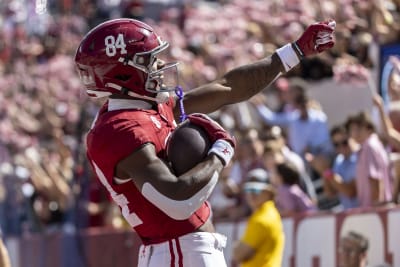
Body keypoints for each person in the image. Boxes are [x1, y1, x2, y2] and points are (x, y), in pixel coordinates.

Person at [74, 18, 335, 266]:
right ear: (121, 72)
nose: (158, 67)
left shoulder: (143, 109)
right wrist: (220, 151)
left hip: (181, 250)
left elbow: (228, 87)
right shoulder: (120, 129)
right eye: (147, 60)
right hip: (178, 251)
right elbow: (177, 203)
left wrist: (295, 51)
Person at [232, 168, 284, 267]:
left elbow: (239, 255)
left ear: (268, 192)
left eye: (256, 189)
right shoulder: (270, 213)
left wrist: (238, 246)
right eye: (248, 189)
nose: (251, 194)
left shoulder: (261, 219)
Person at [345, 112, 392, 208]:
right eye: (352, 130)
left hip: (374, 209)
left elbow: (375, 179)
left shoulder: (369, 146)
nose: (355, 133)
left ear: (369, 128)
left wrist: (376, 208)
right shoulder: (369, 146)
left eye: (358, 129)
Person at [311, 124, 359, 210]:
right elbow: (330, 193)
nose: (341, 147)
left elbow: (350, 192)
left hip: (365, 213)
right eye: (336, 144)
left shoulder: (359, 158)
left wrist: (326, 170)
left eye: (344, 142)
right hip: (350, 215)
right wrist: (324, 172)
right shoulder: (339, 161)